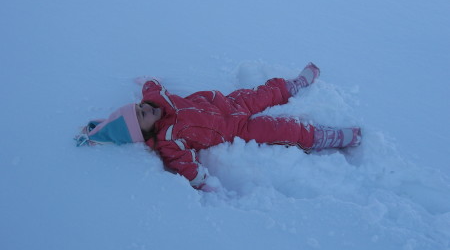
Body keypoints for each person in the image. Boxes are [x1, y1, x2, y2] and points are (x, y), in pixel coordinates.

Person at [76, 63, 361, 191]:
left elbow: (153, 89)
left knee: (267, 91)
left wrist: (146, 81)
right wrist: (202, 181)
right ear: (144, 133)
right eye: (142, 115)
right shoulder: (168, 140)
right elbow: (184, 165)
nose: (146, 109)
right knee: (284, 130)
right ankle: (333, 138)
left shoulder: (156, 101)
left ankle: (296, 84)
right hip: (236, 129)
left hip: (230, 103)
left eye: (140, 107)